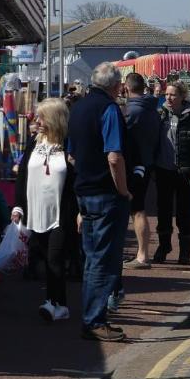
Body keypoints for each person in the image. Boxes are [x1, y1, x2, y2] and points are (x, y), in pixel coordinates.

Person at [68, 62, 131, 342]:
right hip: (106, 194)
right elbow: (114, 156)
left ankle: (92, 317)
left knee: (92, 259)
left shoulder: (77, 108)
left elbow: (71, 156)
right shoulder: (109, 110)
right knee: (103, 261)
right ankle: (94, 320)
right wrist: (124, 191)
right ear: (116, 86)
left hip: (84, 192)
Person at [12, 98, 77, 322]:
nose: (36, 121)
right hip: (35, 211)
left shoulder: (69, 144)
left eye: (41, 117)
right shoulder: (34, 142)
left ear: (53, 119)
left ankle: (55, 303)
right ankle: (59, 305)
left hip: (60, 213)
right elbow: (22, 175)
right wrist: (18, 205)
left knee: (55, 258)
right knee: (45, 258)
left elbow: (77, 181)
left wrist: (81, 211)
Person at [152, 81, 190, 265]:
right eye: (166, 94)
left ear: (182, 97)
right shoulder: (160, 114)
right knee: (163, 211)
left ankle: (185, 252)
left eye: (173, 95)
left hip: (185, 172)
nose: (168, 98)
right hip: (163, 169)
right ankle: (164, 246)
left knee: (184, 213)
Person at [123, 73, 159, 268]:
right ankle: (142, 253)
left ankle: (143, 256)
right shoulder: (152, 107)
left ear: (126, 88)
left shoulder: (131, 111)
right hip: (148, 162)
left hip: (134, 165)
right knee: (138, 209)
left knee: (136, 210)